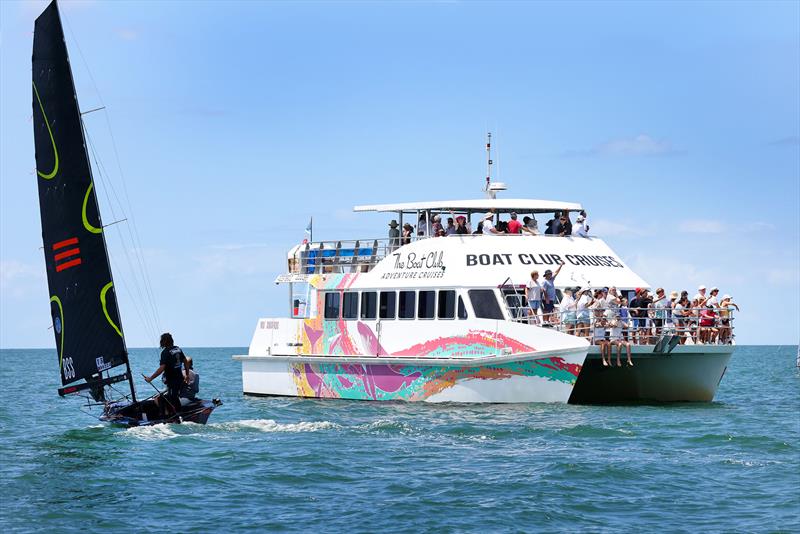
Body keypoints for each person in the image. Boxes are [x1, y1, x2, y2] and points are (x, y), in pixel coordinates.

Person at [145, 333, 190, 416]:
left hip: (172, 381)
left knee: (163, 399)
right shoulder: (178, 349)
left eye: (161, 340)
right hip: (180, 379)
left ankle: (168, 416)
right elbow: (186, 361)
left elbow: (162, 368)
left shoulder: (165, 352)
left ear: (164, 341)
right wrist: (187, 375)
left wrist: (150, 378)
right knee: (174, 397)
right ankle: (176, 414)